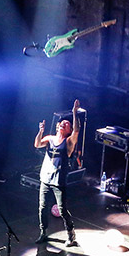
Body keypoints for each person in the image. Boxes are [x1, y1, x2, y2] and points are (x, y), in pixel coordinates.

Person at [34, 99, 81, 246]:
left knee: (62, 209)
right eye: (62, 123)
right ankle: (43, 232)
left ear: (69, 130)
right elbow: (37, 144)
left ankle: (71, 235)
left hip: (58, 181)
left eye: (67, 124)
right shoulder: (50, 138)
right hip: (45, 178)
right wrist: (41, 131)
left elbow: (77, 130)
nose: (64, 124)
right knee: (42, 207)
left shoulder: (68, 143)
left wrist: (74, 113)